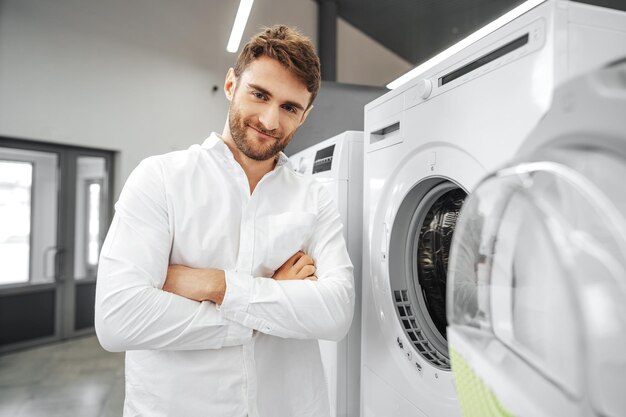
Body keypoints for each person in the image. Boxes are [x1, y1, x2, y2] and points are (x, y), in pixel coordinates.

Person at [94, 25, 355, 417]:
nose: (269, 120)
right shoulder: (161, 179)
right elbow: (119, 318)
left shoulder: (314, 197)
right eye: (260, 94)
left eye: (289, 107)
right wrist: (264, 308)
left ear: (305, 115)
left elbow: (336, 313)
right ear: (232, 84)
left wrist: (215, 285)